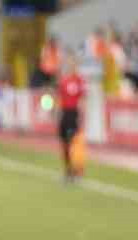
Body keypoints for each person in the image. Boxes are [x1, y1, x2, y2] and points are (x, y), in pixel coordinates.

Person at [57, 55, 86, 183]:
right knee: (64, 144)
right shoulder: (63, 81)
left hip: (73, 114)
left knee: (74, 144)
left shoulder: (79, 81)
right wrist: (57, 114)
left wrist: (81, 115)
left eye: (72, 64)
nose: (70, 66)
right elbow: (59, 99)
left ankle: (77, 171)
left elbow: (83, 99)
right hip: (64, 114)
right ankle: (68, 169)